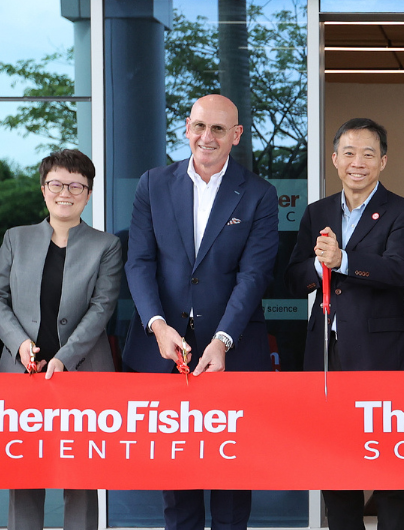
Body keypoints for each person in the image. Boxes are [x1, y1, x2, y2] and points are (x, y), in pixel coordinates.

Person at [123, 94, 280, 530]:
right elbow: (139, 262)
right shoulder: (152, 184)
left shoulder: (259, 195)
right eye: (198, 126)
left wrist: (222, 339)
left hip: (232, 350)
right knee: (177, 479)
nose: (206, 137)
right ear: (187, 129)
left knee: (232, 478)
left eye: (217, 129)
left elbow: (254, 275)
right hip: (163, 349)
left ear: (236, 136)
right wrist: (157, 326)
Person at [285, 118, 404, 530]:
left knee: (391, 466)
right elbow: (294, 279)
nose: (357, 162)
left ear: (383, 161)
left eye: (367, 154)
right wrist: (316, 263)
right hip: (325, 353)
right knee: (334, 463)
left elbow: (398, 271)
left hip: (382, 355)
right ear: (334, 160)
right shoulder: (317, 212)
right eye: (348, 153)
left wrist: (341, 260)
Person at [0, 149, 121, 530]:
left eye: (77, 185)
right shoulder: (16, 238)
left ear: (89, 193)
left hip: (82, 373)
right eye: (57, 184)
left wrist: (65, 357)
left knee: (81, 475)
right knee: (24, 472)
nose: (66, 192)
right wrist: (19, 343)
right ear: (43, 189)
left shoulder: (105, 245)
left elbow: (102, 307)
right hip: (20, 371)